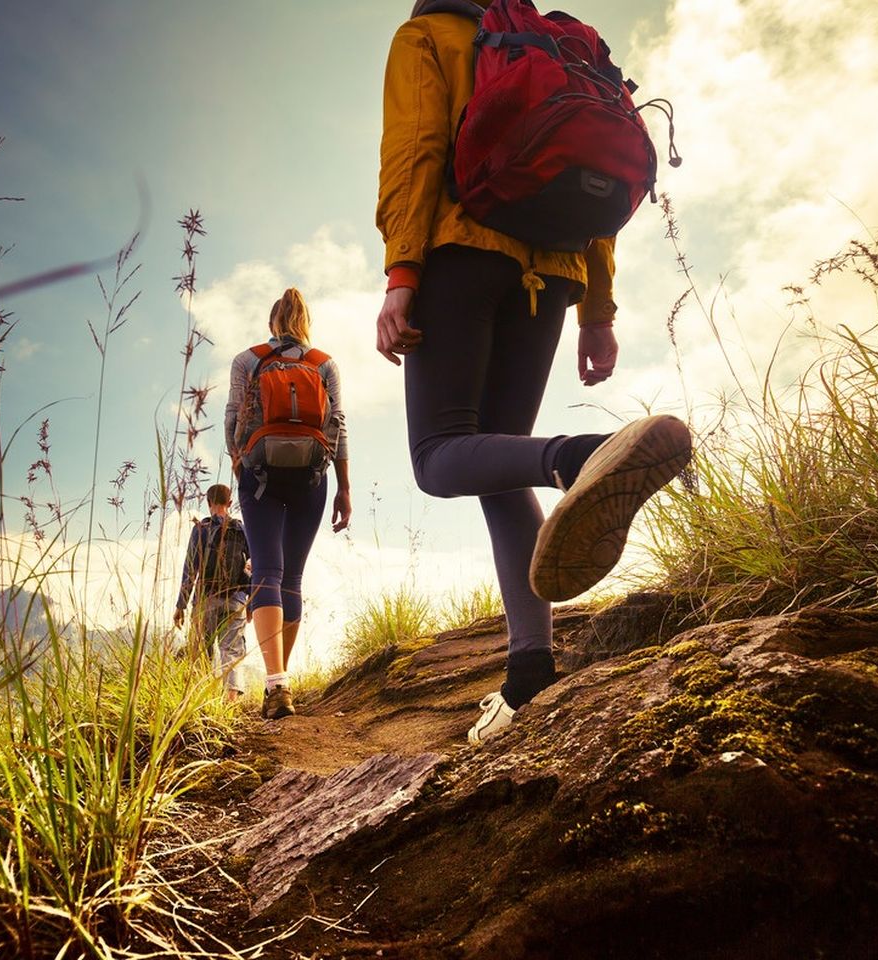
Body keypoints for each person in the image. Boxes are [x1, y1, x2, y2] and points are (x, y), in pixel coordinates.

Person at [375, 1, 692, 744]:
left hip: (460, 252)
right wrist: (597, 310)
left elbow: (415, 149)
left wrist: (401, 273)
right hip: (552, 271)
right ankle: (530, 673)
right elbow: (598, 189)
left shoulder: (428, 35)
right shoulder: (548, 46)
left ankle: (582, 457)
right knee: (496, 465)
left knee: (438, 456)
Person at [226, 288, 351, 720]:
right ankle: (281, 681)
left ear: (272, 323)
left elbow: (232, 419)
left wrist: (241, 468)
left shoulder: (248, 359)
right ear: (305, 323)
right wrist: (344, 488)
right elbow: (339, 428)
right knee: (292, 578)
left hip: (259, 476)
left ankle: (275, 681)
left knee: (266, 572)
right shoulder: (324, 364)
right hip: (312, 478)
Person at [174, 483, 251, 702]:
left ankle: (201, 701)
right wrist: (251, 603)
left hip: (205, 599)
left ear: (208, 503)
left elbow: (191, 568)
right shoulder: (242, 529)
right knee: (232, 650)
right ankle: (230, 701)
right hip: (236, 599)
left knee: (201, 650)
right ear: (229, 502)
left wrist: (181, 605)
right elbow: (253, 565)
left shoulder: (201, 528)